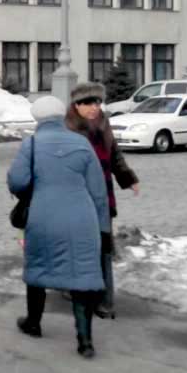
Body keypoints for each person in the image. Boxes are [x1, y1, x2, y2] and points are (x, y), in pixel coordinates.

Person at [7, 96, 110, 360]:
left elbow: (18, 181)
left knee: (38, 266)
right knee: (82, 275)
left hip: (43, 215)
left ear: (37, 118)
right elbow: (98, 191)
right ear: (62, 116)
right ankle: (85, 340)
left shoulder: (31, 144)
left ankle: (33, 323)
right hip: (81, 217)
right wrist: (103, 228)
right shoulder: (81, 143)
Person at [65, 82, 140, 320]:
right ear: (76, 105)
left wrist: (128, 178)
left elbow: (115, 154)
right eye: (88, 103)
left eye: (97, 102)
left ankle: (105, 302)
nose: (94, 108)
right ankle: (75, 289)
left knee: (103, 249)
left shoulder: (103, 124)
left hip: (102, 197)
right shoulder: (67, 129)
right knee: (78, 248)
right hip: (77, 198)